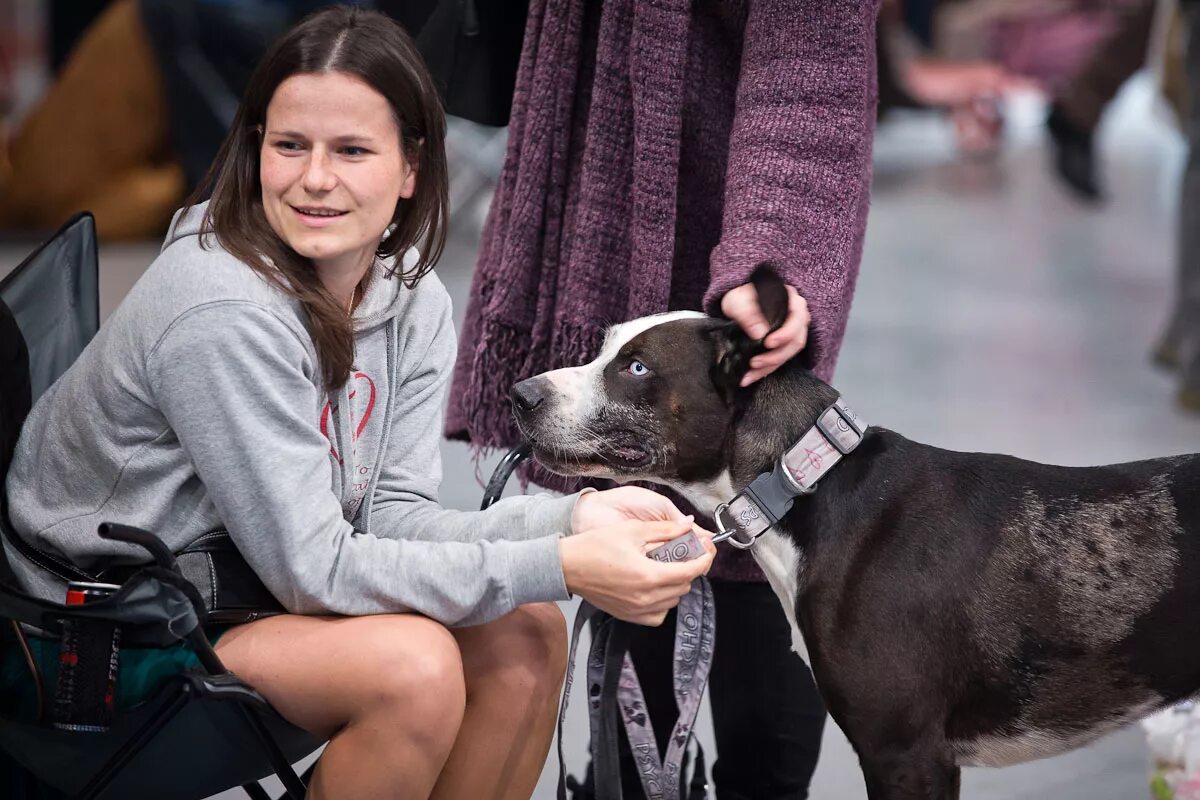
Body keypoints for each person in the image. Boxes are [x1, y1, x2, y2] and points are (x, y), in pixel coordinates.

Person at [1, 7, 717, 800]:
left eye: (351, 150)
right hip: (91, 637)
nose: (315, 178)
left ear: (410, 168)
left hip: (236, 594)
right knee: (414, 669)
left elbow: (392, 515)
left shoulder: (407, 301)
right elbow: (317, 571)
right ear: (255, 151)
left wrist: (571, 523)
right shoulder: (220, 311)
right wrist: (560, 564)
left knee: (525, 634)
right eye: (289, 146)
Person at [445, 1, 877, 797]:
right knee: (629, 512)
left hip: (754, 220)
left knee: (756, 501)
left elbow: (811, 73)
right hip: (595, 179)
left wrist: (770, 259)